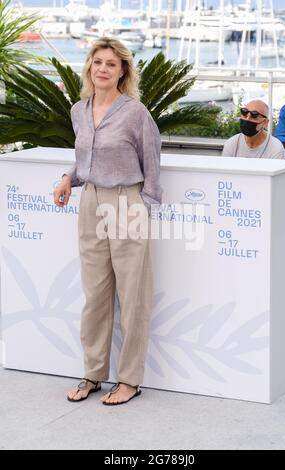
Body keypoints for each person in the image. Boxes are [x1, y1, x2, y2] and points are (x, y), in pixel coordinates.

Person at [53, 37, 162, 406]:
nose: (102, 68)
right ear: (88, 68)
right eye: (97, 62)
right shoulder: (78, 110)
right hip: (90, 202)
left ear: (123, 71)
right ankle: (93, 374)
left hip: (126, 201)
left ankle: (130, 379)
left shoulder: (135, 112)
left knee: (133, 296)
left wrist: (142, 206)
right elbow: (85, 158)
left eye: (111, 64)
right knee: (95, 294)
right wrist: (69, 177)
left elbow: (152, 164)